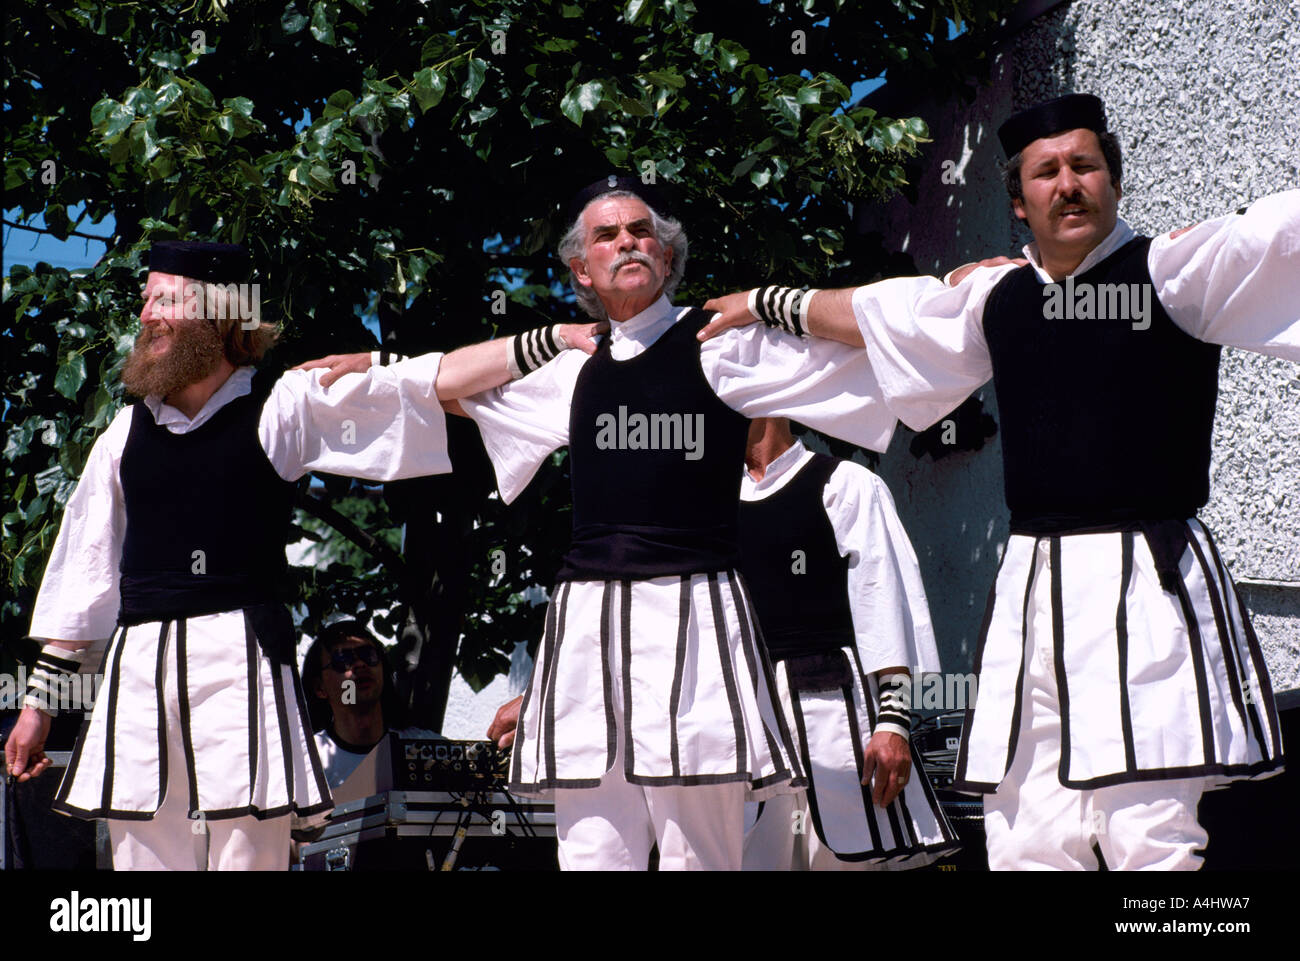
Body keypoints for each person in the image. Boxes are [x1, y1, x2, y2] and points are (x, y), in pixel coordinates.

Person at [700, 94, 1296, 870]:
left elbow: (1277, 234)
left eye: (1084, 165)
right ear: (1019, 202)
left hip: (1149, 584)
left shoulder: (1171, 272)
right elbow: (883, 313)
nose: (1068, 184)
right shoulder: (997, 296)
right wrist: (760, 302)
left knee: (1150, 834)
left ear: (1114, 182)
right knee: (1025, 831)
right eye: (1046, 173)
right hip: (1033, 591)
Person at [4, 240, 600, 870]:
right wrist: (39, 709)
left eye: (164, 299)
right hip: (139, 672)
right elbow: (85, 581)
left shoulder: (283, 404)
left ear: (219, 314)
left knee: (247, 856)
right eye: (146, 299)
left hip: (242, 665)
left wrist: (553, 336)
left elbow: (431, 381)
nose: (147, 314)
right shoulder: (122, 435)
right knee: (141, 864)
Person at [463, 176, 898, 870]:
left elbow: (873, 342)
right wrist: (380, 362)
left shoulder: (720, 343)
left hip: (697, 635)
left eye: (642, 231)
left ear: (667, 257)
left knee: (703, 861)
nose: (627, 242)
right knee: (594, 858)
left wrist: (767, 301)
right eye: (606, 235)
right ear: (581, 268)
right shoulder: (573, 368)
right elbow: (454, 390)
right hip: (588, 644)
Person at [737, 417, 957, 870]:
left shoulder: (844, 483)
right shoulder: (705, 504)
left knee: (842, 858)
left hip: (837, 718)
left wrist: (894, 722)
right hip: (746, 724)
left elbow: (885, 600)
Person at [300, 620, 438, 789]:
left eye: (368, 655)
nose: (360, 664)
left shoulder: (427, 750)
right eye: (343, 659)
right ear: (319, 688)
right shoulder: (307, 762)